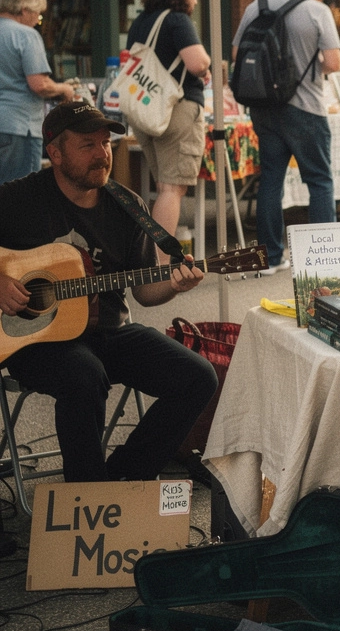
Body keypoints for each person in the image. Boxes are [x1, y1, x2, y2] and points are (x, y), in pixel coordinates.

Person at [0, 102, 216, 482]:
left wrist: (174, 283)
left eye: (105, 144)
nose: (102, 155)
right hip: (34, 339)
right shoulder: (20, 199)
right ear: (55, 152)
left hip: (110, 332)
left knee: (198, 376)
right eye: (88, 145)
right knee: (84, 374)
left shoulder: (127, 206)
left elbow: (146, 293)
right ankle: (85, 493)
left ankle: (124, 479)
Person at [231, 0, 340, 275]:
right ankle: (324, 260)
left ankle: (269, 258)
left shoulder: (256, 7)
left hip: (264, 108)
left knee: (270, 180)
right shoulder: (317, 10)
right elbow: (334, 63)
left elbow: (239, 55)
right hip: (306, 108)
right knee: (319, 181)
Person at [125, 0, 212, 259]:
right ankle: (161, 263)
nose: (196, 1)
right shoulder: (177, 20)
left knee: (162, 186)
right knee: (172, 190)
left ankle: (153, 257)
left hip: (145, 111)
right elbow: (197, 63)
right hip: (176, 110)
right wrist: (208, 64)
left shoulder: (140, 21)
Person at [0, 0, 77, 184]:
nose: (37, 21)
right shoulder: (26, 35)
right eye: (37, 14)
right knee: (21, 195)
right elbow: (39, 84)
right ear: (24, 10)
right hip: (19, 125)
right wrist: (64, 89)